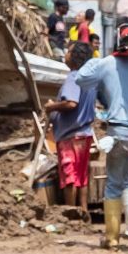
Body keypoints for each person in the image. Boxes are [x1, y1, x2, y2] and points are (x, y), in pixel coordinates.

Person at [74, 20, 128, 248]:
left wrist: (98, 58)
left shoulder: (107, 64)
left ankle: (112, 239)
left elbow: (81, 79)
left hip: (118, 131)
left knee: (114, 184)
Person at [45, 42, 97, 217]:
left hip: (70, 135)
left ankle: (71, 211)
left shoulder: (74, 77)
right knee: (82, 176)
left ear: (75, 58)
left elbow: (71, 103)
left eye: (68, 52)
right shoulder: (89, 79)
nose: (66, 55)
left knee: (69, 176)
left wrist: (52, 107)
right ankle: (83, 210)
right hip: (85, 134)